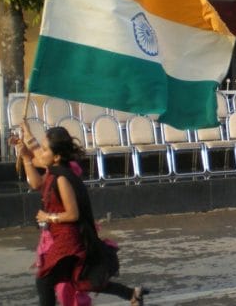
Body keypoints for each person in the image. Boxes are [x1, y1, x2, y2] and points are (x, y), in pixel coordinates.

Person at [14, 123, 148, 306]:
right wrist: (25, 155)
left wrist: (48, 217)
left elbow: (73, 214)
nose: (42, 153)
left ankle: (130, 293)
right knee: (80, 281)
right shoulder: (54, 172)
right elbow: (36, 181)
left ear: (57, 156)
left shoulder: (62, 177)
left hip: (68, 241)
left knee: (45, 280)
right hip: (58, 236)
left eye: (46, 150)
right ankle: (131, 293)